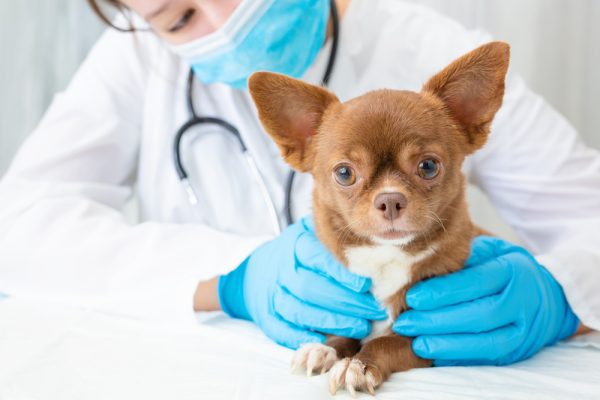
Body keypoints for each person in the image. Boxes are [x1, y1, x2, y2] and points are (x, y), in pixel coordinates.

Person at [0, 0, 597, 367]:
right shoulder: (136, 62)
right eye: (178, 18)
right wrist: (235, 279)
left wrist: (557, 297)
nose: (223, 21)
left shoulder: (430, 49)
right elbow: (18, 228)